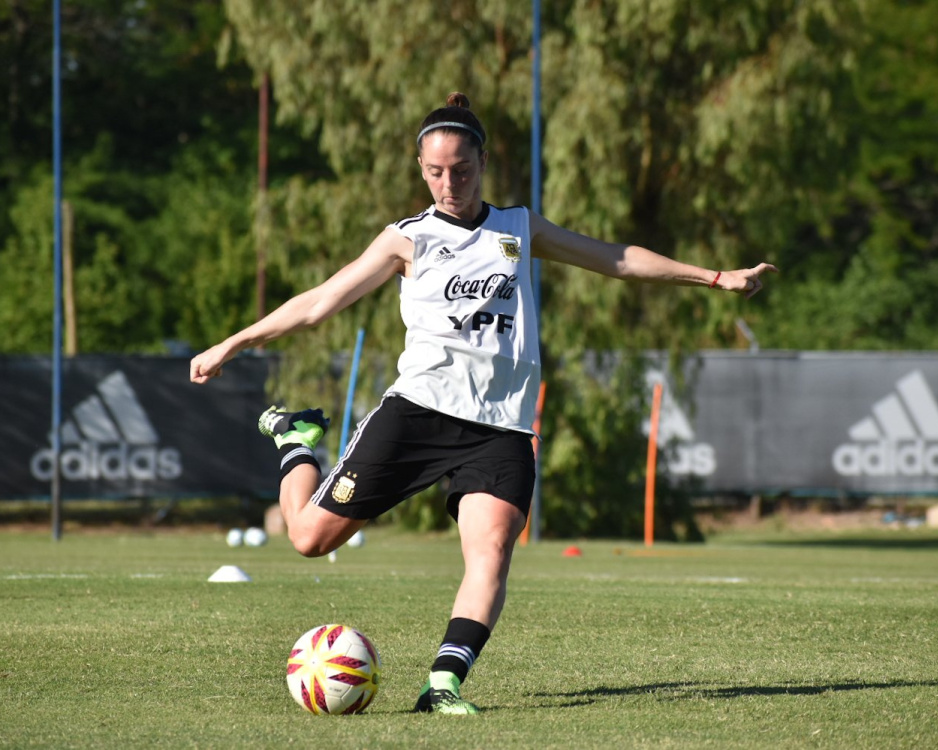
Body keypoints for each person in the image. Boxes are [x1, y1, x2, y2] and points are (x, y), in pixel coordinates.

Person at [189, 92, 777, 715]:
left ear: (484, 163)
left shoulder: (519, 228)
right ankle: (295, 440)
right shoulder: (407, 239)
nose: (450, 184)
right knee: (309, 537)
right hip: (419, 412)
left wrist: (716, 277)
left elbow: (617, 259)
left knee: (491, 549)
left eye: (462, 170)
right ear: (421, 170)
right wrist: (234, 342)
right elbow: (318, 303)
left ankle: (443, 684)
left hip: (500, 427)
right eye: (436, 172)